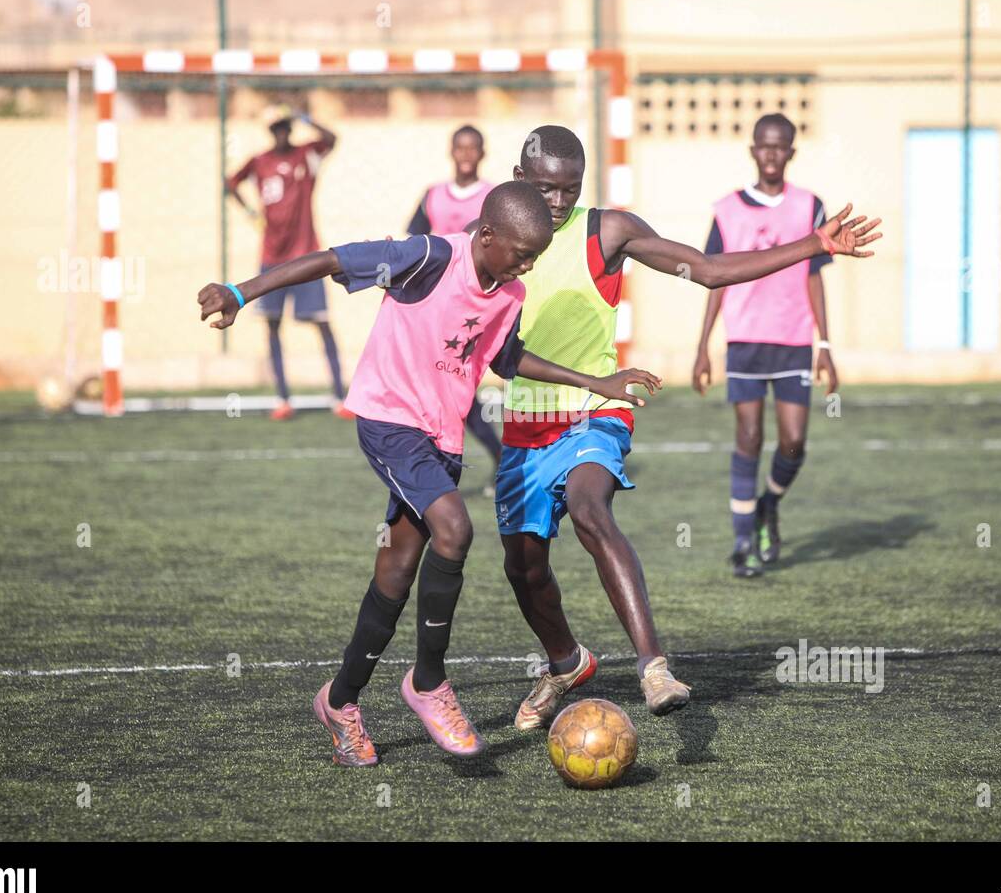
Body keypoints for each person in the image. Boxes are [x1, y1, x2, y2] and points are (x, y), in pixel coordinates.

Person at [196, 181, 661, 766]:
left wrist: (597, 384)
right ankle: (429, 682)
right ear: (485, 235)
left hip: (442, 437)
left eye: (536, 256)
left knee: (395, 572)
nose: (528, 264)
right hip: (390, 421)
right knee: (456, 528)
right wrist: (243, 291)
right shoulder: (427, 257)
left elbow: (506, 358)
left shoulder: (510, 291)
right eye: (521, 252)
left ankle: (340, 703)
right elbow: (332, 258)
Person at [494, 125, 881, 729]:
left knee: (591, 507)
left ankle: (654, 668)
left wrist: (814, 244)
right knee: (524, 568)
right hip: (525, 422)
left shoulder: (609, 231)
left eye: (570, 189)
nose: (559, 203)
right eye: (546, 190)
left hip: (598, 410)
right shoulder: (489, 235)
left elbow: (707, 270)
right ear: (520, 181)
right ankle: (565, 661)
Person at [693, 113, 838, 578]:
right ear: (752, 150)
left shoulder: (810, 206)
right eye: (764, 145)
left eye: (781, 146)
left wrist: (825, 343)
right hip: (745, 341)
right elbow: (714, 278)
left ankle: (768, 504)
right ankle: (741, 542)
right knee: (749, 437)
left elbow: (815, 277)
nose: (771, 154)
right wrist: (703, 346)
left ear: (791, 152)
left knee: (794, 442)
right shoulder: (726, 209)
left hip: (794, 340)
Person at [225, 105, 350, 420]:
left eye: (285, 126)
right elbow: (230, 183)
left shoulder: (306, 155)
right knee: (272, 325)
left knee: (322, 323)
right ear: (270, 132)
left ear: (291, 129)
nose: (281, 132)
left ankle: (340, 395)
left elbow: (333, 138)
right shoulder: (259, 161)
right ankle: (283, 398)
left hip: (306, 254)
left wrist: (304, 116)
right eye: (276, 128)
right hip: (273, 257)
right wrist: (250, 212)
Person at [406, 124, 502, 495]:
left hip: (477, 307)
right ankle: (495, 459)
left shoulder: (494, 196)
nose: (466, 154)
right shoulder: (433, 196)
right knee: (448, 387)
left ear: (482, 152)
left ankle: (493, 460)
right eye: (459, 147)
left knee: (457, 388)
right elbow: (414, 242)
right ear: (451, 151)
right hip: (434, 307)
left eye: (472, 147)